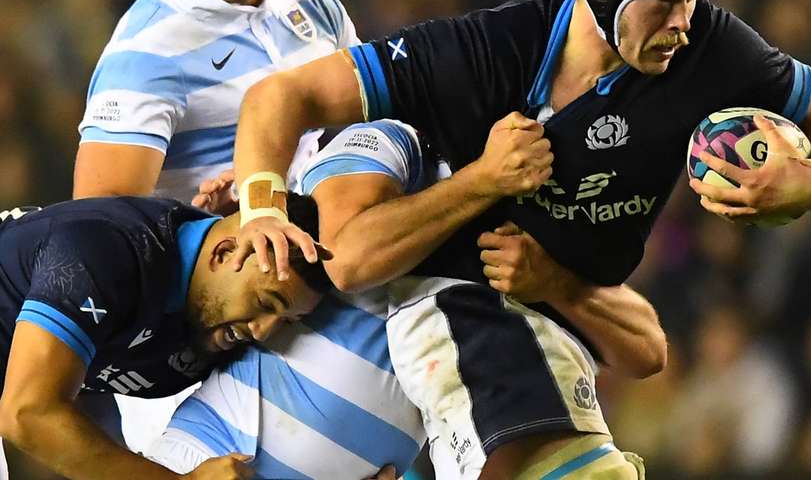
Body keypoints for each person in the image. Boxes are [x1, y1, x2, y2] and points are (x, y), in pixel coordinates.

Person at [230, 0, 811, 478]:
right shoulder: (485, 55)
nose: (685, 22)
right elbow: (281, 96)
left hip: (571, 314)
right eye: (664, 4)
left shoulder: (705, 47)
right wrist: (260, 206)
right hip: (466, 298)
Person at [151, 118, 664, 479]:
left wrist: (558, 284)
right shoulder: (373, 173)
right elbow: (347, 255)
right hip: (209, 457)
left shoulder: (520, 245)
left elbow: (647, 351)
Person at [72, 0, 359, 452]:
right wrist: (204, 227)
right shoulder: (144, 58)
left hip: (311, 311)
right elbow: (94, 244)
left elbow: (368, 120)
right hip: (197, 374)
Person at [0, 195, 328, 480]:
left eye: (287, 321)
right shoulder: (104, 251)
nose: (263, 331)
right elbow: (28, 413)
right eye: (265, 303)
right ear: (225, 254)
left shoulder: (214, 319)